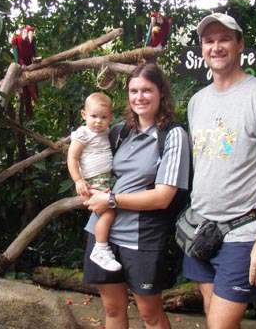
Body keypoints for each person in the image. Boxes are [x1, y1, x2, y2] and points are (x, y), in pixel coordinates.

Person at [183, 13, 256, 328]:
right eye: (209, 41)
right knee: (210, 311)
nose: (216, 47)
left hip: (242, 231)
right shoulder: (197, 101)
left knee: (220, 324)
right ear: (202, 48)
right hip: (200, 230)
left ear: (240, 44)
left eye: (224, 39)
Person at [84, 63, 191, 329]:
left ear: (161, 94)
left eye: (147, 90)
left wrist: (110, 200)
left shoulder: (172, 136)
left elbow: (163, 197)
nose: (139, 97)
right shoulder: (120, 131)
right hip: (101, 235)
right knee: (112, 307)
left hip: (142, 236)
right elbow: (91, 154)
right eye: (133, 91)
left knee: (150, 314)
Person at [67, 92, 121, 271]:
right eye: (94, 116)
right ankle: (100, 248)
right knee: (109, 213)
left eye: (103, 117)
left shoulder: (106, 132)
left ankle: (104, 246)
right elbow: (72, 158)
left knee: (111, 210)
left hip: (106, 179)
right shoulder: (83, 133)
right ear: (84, 115)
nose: (98, 121)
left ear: (110, 118)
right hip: (90, 182)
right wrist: (78, 180)